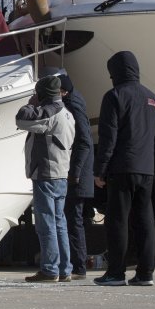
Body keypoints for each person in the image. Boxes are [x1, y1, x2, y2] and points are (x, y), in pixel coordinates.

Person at [93, 51, 155, 287]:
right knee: (145, 221)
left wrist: (100, 170)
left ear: (115, 72)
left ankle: (116, 273)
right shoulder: (152, 97)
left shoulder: (115, 95)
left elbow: (108, 138)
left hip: (121, 169)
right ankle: (146, 274)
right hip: (146, 169)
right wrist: (146, 151)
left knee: (117, 221)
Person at [16, 75, 75, 283]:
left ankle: (50, 269)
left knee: (46, 222)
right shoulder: (68, 113)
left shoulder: (50, 112)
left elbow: (22, 119)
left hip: (46, 174)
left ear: (42, 93)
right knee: (59, 222)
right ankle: (65, 268)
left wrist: (30, 104)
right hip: (61, 174)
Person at [59, 73, 94, 281]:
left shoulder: (72, 105)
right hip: (79, 173)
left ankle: (78, 266)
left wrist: (75, 172)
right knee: (74, 219)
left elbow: (84, 140)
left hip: (77, 174)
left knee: (73, 220)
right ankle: (76, 264)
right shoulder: (75, 101)